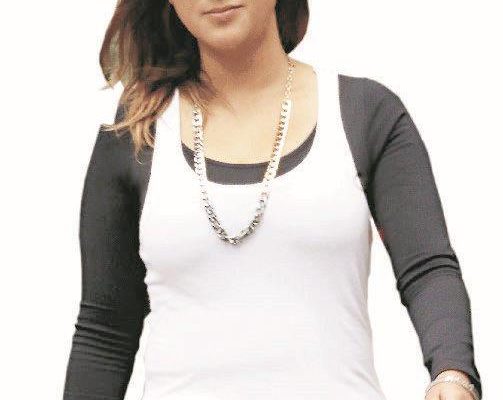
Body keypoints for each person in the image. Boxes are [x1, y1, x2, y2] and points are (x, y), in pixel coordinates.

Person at [62, 1, 483, 399]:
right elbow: (106, 330)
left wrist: (453, 373)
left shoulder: (365, 114)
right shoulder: (136, 134)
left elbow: (427, 269)